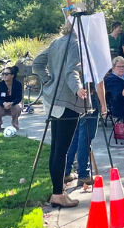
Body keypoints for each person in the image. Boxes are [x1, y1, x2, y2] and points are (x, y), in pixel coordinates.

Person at [33, 22, 89, 209]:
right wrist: (78, 88)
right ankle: (58, 194)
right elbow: (71, 70)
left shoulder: (57, 41)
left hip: (53, 98)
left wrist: (48, 81)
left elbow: (37, 63)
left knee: (56, 148)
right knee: (61, 150)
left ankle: (58, 192)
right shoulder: (74, 43)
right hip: (66, 100)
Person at [64, 60, 109, 187]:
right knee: (85, 137)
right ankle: (83, 173)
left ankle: (66, 171)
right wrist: (103, 105)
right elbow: (99, 85)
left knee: (76, 136)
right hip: (90, 97)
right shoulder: (93, 58)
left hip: (77, 98)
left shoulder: (77, 58)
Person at [0, 65, 24, 132]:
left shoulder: (18, 84)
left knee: (18, 107)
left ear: (12, 75)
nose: (4, 76)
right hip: (2, 106)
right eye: (3, 74)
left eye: (6, 74)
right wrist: (4, 103)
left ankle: (15, 125)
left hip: (13, 105)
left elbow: (19, 98)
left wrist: (12, 103)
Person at [104, 57, 124, 121]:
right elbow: (117, 96)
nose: (121, 68)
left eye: (123, 66)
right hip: (122, 108)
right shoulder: (112, 79)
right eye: (118, 67)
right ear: (113, 68)